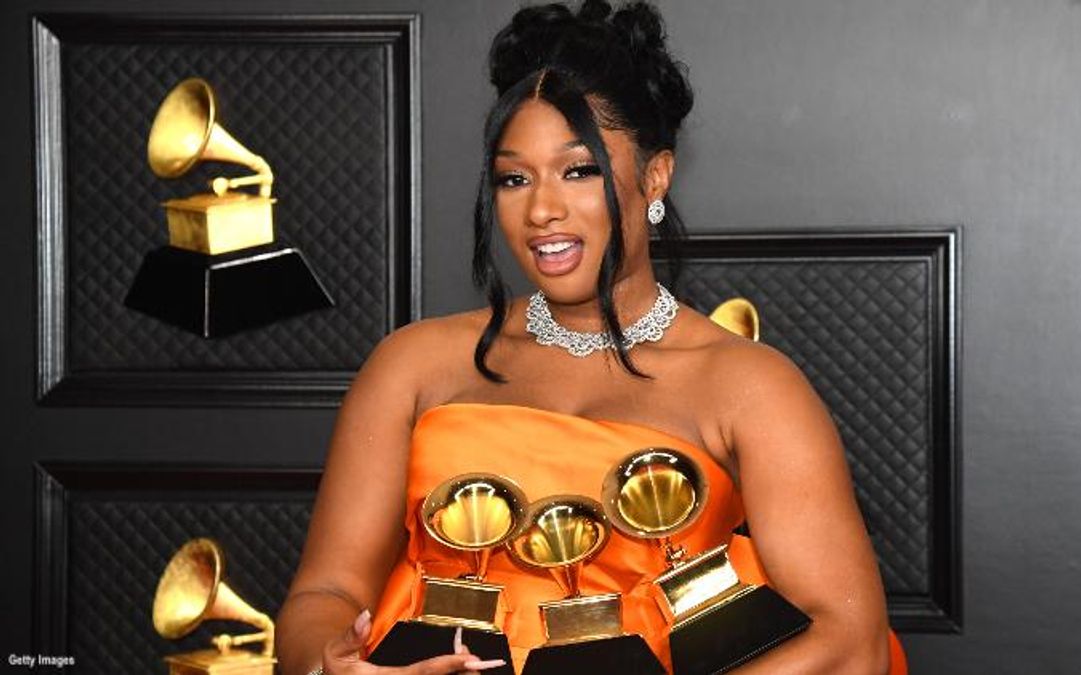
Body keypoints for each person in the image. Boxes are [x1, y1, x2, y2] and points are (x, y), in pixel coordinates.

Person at [276, 2, 899, 674]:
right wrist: (328, 665)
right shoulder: (413, 365)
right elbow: (325, 593)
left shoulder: (749, 385)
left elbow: (850, 642)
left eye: (579, 171)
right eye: (514, 178)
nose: (542, 209)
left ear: (655, 176)